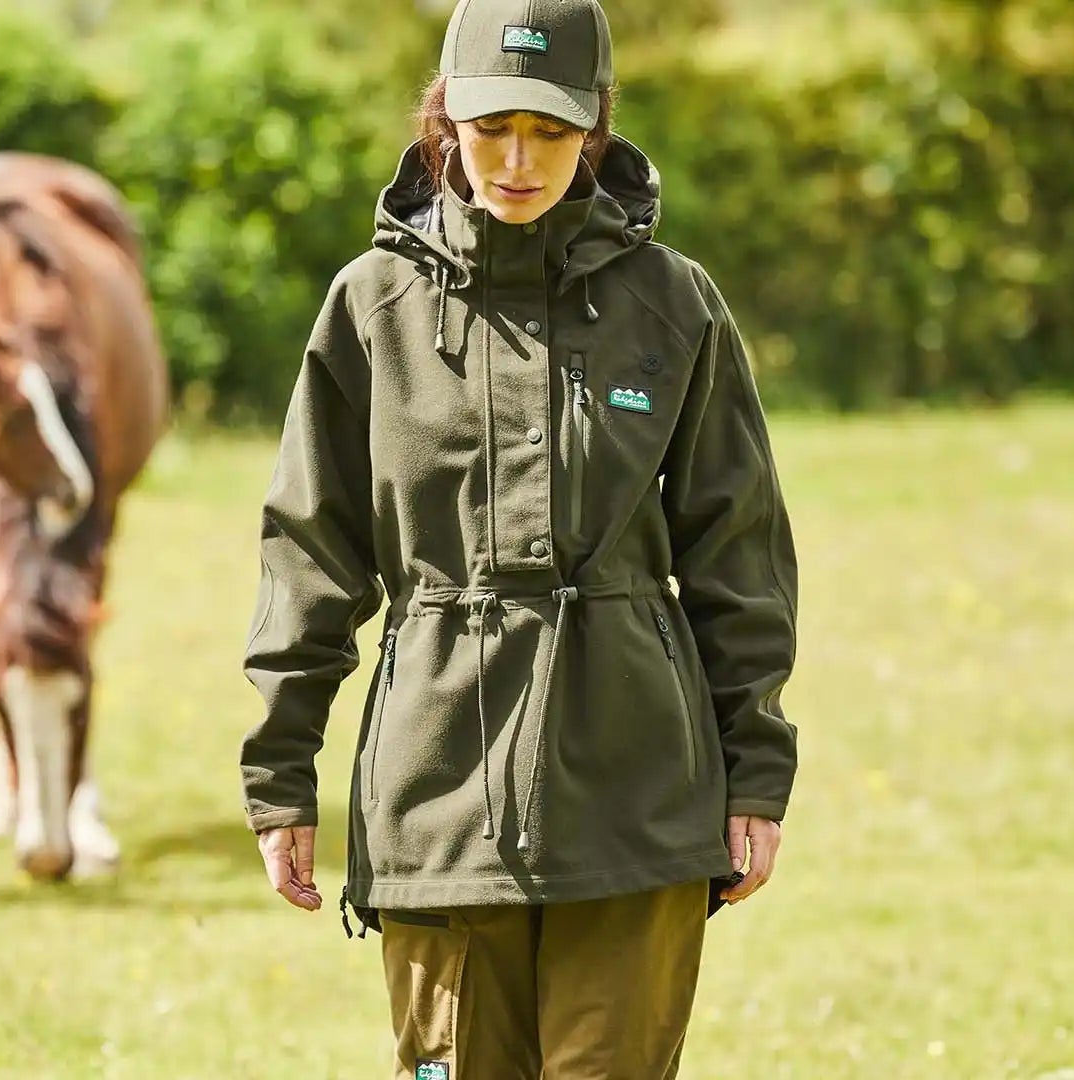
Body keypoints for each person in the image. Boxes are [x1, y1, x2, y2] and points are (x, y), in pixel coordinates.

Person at [239, 0, 800, 1076]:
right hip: (435, 795)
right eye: (491, 127)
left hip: (636, 795)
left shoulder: (674, 304)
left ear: (595, 131)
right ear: (445, 126)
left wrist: (756, 774)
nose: (516, 159)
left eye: (548, 131)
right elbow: (311, 551)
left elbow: (738, 553)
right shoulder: (371, 307)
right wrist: (281, 775)